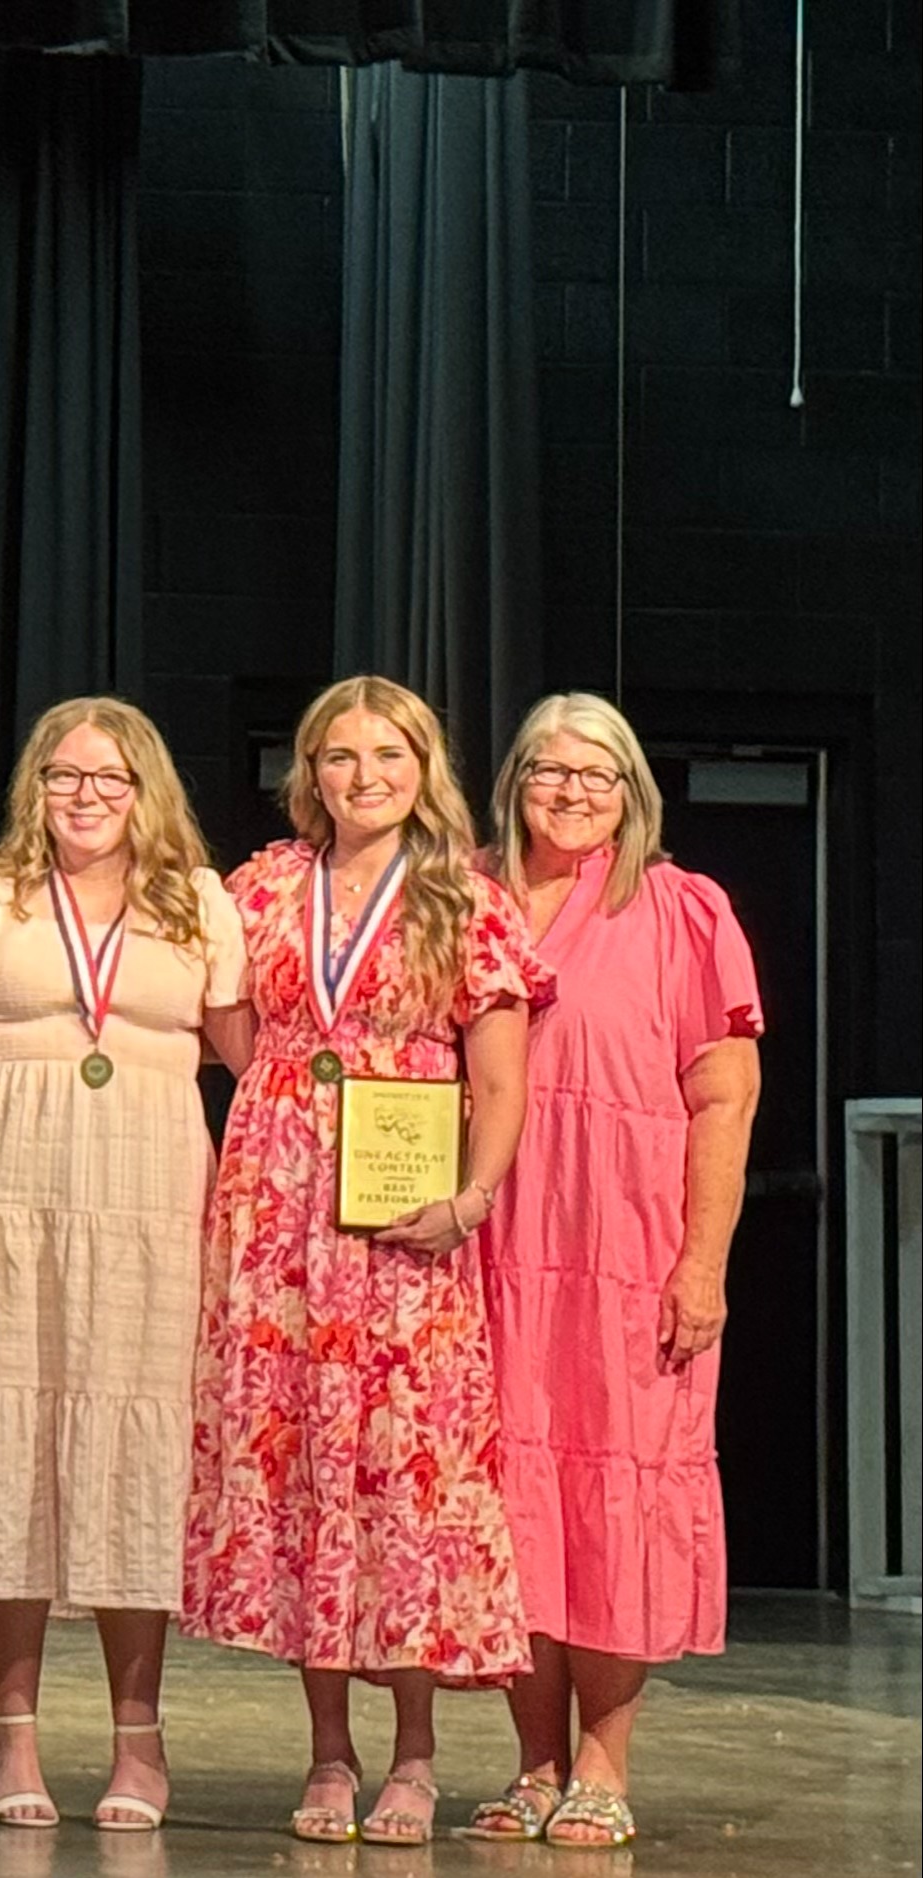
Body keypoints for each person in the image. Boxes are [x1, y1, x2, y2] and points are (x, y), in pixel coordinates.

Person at [0, 697, 239, 1831]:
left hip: (150, 1196)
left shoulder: (200, 903)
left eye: (109, 779)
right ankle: (11, 1737)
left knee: (137, 1452)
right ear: (36, 789)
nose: (85, 798)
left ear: (145, 792)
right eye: (63, 778)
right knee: (9, 1452)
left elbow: (250, 1060)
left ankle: (139, 1742)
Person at [190, 675, 545, 1848]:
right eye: (340, 758)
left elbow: (499, 1077)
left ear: (422, 767)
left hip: (402, 1223)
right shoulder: (265, 886)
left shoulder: (468, 899)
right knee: (303, 1471)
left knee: (401, 1477)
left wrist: (470, 1196)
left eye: (387, 755)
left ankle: (414, 1753)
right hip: (279, 1214)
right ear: (311, 772)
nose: (363, 777)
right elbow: (228, 1025)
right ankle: (328, 1753)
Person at [461, 693, 759, 1851]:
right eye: (550, 768)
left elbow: (724, 1097)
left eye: (599, 773)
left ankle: (602, 1760)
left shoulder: (681, 911)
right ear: (515, 781)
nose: (574, 790)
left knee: (616, 1493)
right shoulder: (464, 894)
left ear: (633, 791)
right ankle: (531, 1759)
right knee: (506, 1500)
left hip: (628, 1248)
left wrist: (702, 1262)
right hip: (491, 1240)